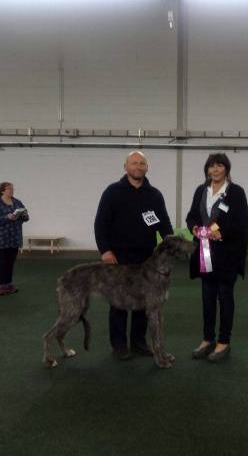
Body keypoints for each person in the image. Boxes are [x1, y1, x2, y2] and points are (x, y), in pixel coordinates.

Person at [94, 151, 174, 360]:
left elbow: (164, 224)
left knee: (143, 304)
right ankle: (119, 346)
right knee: (118, 304)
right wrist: (105, 251)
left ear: (147, 168)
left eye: (142, 163)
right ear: (125, 166)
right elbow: (100, 223)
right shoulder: (112, 192)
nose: (138, 166)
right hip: (117, 259)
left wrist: (171, 244)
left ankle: (139, 343)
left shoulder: (154, 194)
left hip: (147, 260)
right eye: (134, 163)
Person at [186, 153, 248, 362]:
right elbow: (192, 216)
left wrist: (223, 233)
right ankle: (207, 339)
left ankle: (224, 342)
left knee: (225, 297)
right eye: (211, 166)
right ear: (207, 170)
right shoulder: (200, 191)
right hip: (204, 252)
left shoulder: (235, 192)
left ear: (226, 169)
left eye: (219, 166)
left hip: (227, 254)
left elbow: (243, 222)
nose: (215, 170)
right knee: (207, 298)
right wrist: (194, 227)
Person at [0, 182, 29, 296]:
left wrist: (24, 214)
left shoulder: (17, 202)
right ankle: (2, 286)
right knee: (1, 262)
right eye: (9, 189)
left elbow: (26, 217)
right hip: (0, 238)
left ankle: (9, 283)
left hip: (14, 237)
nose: (11, 190)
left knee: (10, 262)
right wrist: (7, 217)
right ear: (2, 191)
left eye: (12, 188)